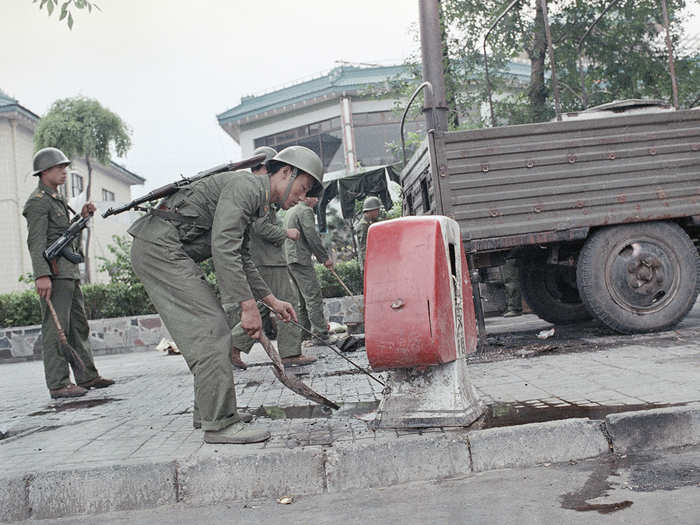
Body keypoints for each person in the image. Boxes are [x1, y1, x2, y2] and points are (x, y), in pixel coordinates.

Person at [128, 145, 323, 444]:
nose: (300, 196)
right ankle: (219, 424)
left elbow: (242, 256)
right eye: (301, 187)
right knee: (212, 329)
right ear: (285, 172)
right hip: (160, 251)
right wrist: (248, 307)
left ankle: (208, 411)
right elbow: (223, 247)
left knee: (212, 327)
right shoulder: (245, 187)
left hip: (167, 251)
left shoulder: (256, 201)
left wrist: (271, 301)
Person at [22, 147, 115, 399]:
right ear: (44, 172)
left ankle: (87, 375)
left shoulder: (57, 200)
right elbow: (37, 242)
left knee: (78, 326)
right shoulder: (38, 203)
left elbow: (65, 236)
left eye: (64, 167)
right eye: (59, 168)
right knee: (56, 329)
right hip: (54, 275)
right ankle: (59, 383)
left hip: (69, 273)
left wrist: (83, 217)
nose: (64, 172)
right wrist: (41, 275)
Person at [229, 146, 316, 369]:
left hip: (263, 260)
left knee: (263, 307)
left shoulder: (260, 191)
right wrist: (286, 233)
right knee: (286, 303)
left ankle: (231, 346)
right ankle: (289, 353)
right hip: (266, 260)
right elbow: (260, 228)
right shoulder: (259, 192)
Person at [285, 195, 334, 345]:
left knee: (302, 299)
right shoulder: (305, 211)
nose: (317, 201)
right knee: (313, 296)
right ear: (309, 197)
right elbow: (312, 236)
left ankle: (304, 334)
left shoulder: (290, 210)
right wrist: (324, 258)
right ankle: (320, 334)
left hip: (289, 259)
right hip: (300, 258)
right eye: (316, 197)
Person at [355, 195, 382, 267]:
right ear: (371, 210)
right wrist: (370, 264)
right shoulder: (363, 225)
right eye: (377, 210)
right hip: (368, 265)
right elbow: (364, 247)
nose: (378, 212)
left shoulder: (371, 222)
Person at [502, 251, 522, 317]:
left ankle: (514, 308)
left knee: (511, 282)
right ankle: (514, 307)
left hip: (511, 255)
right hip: (513, 254)